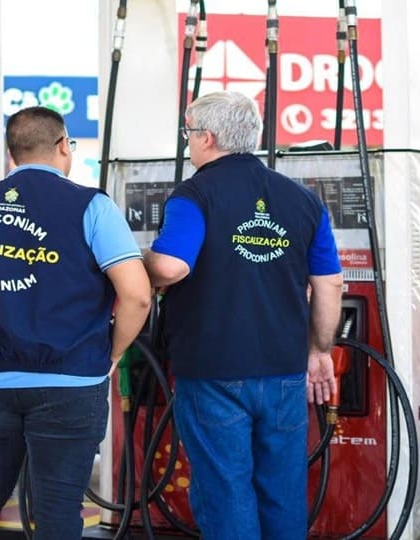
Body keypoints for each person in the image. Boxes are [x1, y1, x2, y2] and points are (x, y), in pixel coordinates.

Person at [0, 106, 151, 540]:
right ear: (62, 146)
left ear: (11, 153)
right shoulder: (91, 206)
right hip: (70, 378)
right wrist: (111, 354)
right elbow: (137, 295)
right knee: (57, 504)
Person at [143, 91, 344, 540]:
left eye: (189, 133)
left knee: (226, 489)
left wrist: (136, 262)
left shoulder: (194, 195)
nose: (188, 142)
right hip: (285, 370)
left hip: (212, 371)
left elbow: (171, 267)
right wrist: (320, 351)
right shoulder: (303, 200)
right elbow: (330, 283)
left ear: (207, 137)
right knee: (282, 489)